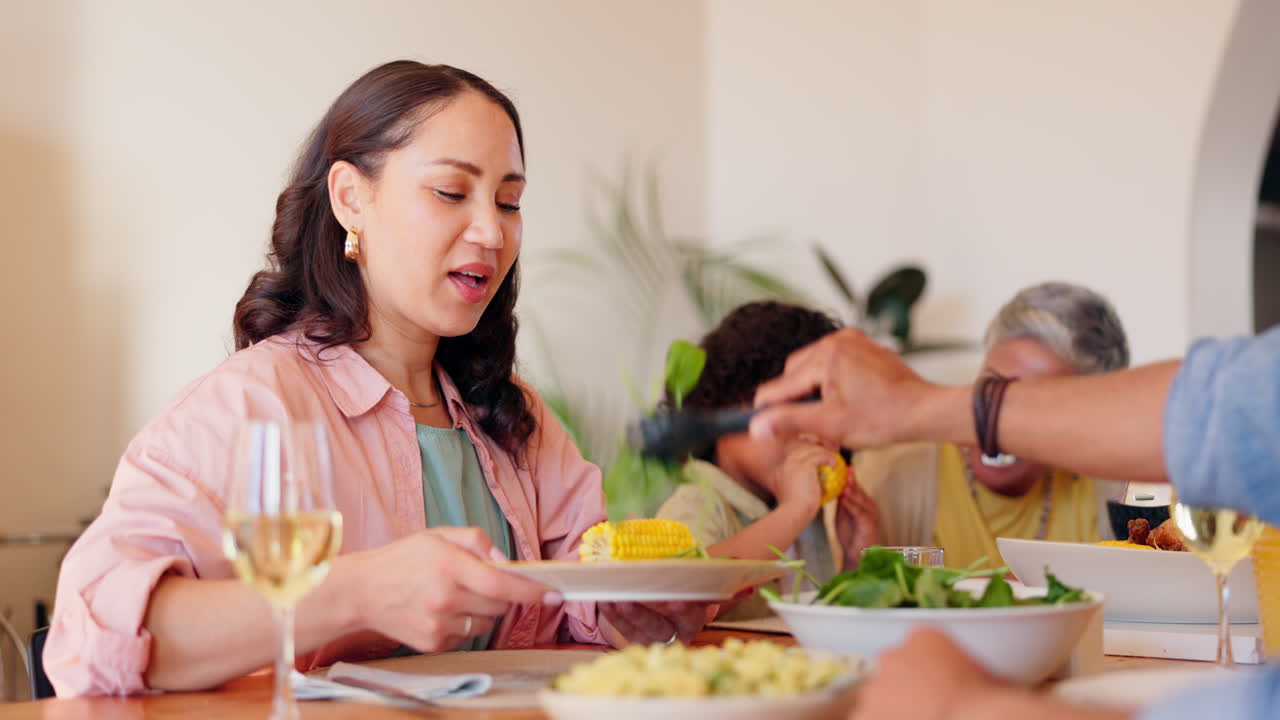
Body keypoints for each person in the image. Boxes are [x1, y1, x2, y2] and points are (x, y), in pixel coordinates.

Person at [44, 60, 705, 697]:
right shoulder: (251, 405)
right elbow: (87, 636)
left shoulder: (510, 414)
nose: (491, 231)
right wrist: (356, 593)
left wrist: (640, 611)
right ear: (350, 199)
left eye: (509, 202)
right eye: (451, 192)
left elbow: (579, 610)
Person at [749, 324, 1280, 720]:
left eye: (1042, 398)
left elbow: (1220, 411)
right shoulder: (898, 471)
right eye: (995, 384)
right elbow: (1223, 407)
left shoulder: (1100, 486)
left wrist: (965, 706)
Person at [857, 282, 1130, 569]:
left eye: (1034, 402)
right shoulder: (892, 472)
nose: (998, 420)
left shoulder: (1114, 490)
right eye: (993, 386)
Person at [655, 301, 880, 618]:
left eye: (831, 423)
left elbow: (817, 619)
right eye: (799, 412)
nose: (821, 440)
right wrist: (793, 511)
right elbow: (681, 594)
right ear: (724, 410)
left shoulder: (808, 519)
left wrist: (854, 562)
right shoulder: (698, 503)